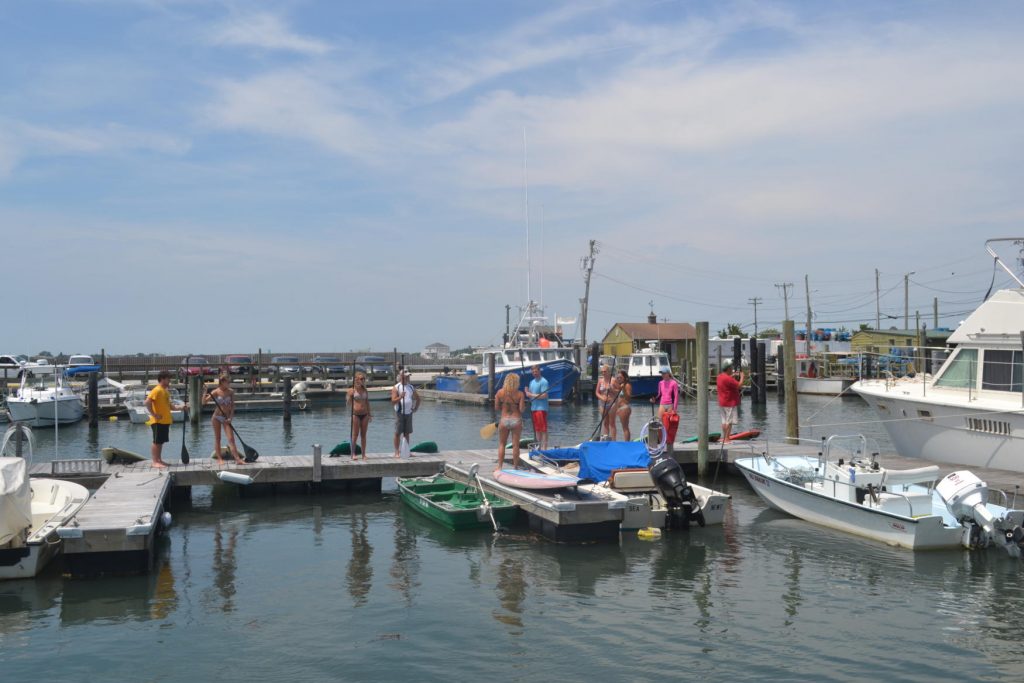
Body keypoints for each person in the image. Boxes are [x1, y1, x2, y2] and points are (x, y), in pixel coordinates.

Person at [144, 370, 187, 469]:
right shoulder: (157, 390)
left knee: (161, 441)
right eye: (168, 379)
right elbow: (147, 402)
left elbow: (170, 406)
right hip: (158, 421)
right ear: (162, 379)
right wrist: (154, 414)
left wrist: (181, 407)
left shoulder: (165, 391)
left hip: (165, 421)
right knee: (156, 441)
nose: (169, 381)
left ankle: (159, 460)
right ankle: (155, 462)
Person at [203, 374, 245, 466]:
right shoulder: (216, 392)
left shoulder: (231, 392)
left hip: (227, 418)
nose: (229, 383)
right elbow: (204, 402)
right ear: (222, 382)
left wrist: (231, 418)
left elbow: (233, 406)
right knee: (218, 438)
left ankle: (237, 459)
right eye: (227, 382)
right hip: (216, 417)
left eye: (229, 382)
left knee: (231, 439)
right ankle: (219, 459)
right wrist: (205, 391)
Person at [494, 373, 525, 471]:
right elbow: (522, 410)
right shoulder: (520, 394)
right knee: (516, 445)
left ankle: (500, 466)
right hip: (516, 420)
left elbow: (496, 407)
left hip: (504, 420)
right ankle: (515, 467)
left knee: (502, 444)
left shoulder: (499, 393)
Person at [391, 370, 420, 457]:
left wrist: (415, 408)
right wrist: (400, 397)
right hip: (400, 413)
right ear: (401, 377)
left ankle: (406, 451)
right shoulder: (396, 387)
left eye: (408, 376)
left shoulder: (411, 387)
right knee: (397, 433)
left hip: (409, 413)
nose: (408, 377)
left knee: (407, 433)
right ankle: (396, 452)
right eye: (406, 376)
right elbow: (393, 401)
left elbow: (418, 398)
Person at [716, 361, 745, 442]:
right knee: (729, 421)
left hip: (722, 402)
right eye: (731, 368)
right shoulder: (728, 379)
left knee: (724, 421)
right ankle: (727, 438)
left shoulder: (719, 377)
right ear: (728, 369)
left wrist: (733, 375)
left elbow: (727, 380)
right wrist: (742, 377)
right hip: (729, 403)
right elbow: (739, 386)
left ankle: (725, 437)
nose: (732, 369)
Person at [347, 372, 372, 460]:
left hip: (365, 414)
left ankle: (363, 454)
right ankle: (353, 453)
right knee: (355, 434)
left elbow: (367, 402)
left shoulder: (365, 390)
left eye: (364, 379)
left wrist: (370, 414)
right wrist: (350, 396)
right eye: (361, 379)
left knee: (363, 435)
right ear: (356, 379)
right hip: (356, 415)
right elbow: (348, 403)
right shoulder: (351, 390)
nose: (363, 380)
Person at [525, 365, 549, 449]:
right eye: (533, 372)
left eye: (536, 371)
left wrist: (530, 394)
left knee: (543, 429)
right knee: (537, 429)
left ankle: (544, 448)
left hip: (541, 409)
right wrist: (527, 391)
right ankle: (538, 447)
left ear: (539, 371)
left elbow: (544, 395)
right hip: (533, 408)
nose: (534, 373)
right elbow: (530, 395)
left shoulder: (543, 381)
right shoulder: (531, 382)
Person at [595, 364, 617, 439]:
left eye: (605, 371)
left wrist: (611, 389)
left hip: (612, 403)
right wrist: (601, 397)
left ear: (608, 371)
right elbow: (597, 392)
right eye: (602, 372)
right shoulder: (600, 381)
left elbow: (619, 391)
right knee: (605, 422)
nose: (603, 373)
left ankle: (614, 441)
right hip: (602, 403)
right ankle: (606, 439)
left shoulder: (613, 380)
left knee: (612, 423)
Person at [613, 370, 632, 441]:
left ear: (624, 378)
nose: (618, 379)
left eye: (620, 377)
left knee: (625, 427)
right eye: (617, 378)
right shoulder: (619, 385)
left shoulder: (627, 385)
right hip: (619, 408)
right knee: (619, 426)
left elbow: (628, 397)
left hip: (624, 408)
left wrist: (623, 388)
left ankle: (626, 443)